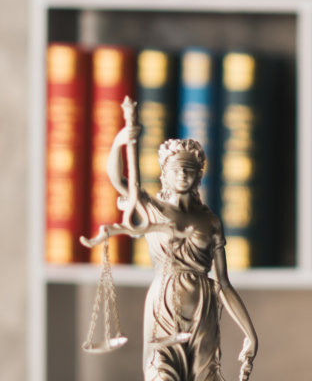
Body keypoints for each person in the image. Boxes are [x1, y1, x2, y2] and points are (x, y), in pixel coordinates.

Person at [103, 126, 259, 381]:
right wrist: (120, 141)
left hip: (203, 311)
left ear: (199, 176)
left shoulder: (210, 222)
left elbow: (223, 284)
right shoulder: (153, 208)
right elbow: (118, 180)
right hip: (163, 307)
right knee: (161, 375)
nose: (183, 174)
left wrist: (249, 333)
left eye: (189, 169)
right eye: (176, 169)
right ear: (165, 175)